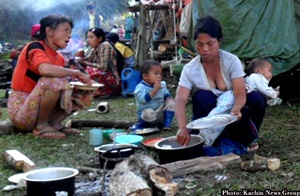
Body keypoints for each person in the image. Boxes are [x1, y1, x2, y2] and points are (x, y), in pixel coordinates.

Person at [175, 15, 267, 155]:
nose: (205, 49)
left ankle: (247, 138)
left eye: (210, 44)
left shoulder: (231, 61)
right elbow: (180, 100)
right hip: (210, 119)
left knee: (256, 98)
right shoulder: (190, 69)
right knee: (202, 97)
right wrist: (182, 128)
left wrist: (236, 109)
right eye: (200, 44)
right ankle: (214, 139)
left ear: (219, 42)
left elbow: (240, 93)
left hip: (235, 118)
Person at [7, 15, 96, 139]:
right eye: (65, 30)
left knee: (84, 89)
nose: (69, 35)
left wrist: (78, 82)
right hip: (22, 113)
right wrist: (75, 73)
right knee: (54, 80)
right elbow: (45, 70)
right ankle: (41, 126)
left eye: (70, 31)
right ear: (49, 31)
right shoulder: (35, 47)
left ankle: (54, 123)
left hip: (40, 110)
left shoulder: (58, 57)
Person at [129, 59, 175, 131]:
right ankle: (142, 124)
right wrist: (155, 90)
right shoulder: (140, 87)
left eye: (160, 74)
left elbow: (166, 93)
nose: (159, 76)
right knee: (148, 113)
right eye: (156, 74)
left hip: (160, 112)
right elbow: (144, 99)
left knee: (172, 102)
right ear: (145, 76)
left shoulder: (162, 84)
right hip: (147, 115)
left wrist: (168, 98)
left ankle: (166, 124)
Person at [79, 27, 122, 97]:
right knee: (81, 71)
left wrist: (85, 63)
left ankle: (107, 91)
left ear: (100, 39)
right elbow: (88, 60)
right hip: (105, 76)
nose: (88, 40)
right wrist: (80, 58)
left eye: (91, 37)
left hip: (113, 79)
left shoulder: (105, 46)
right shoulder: (95, 48)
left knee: (88, 72)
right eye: (87, 38)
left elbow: (104, 67)